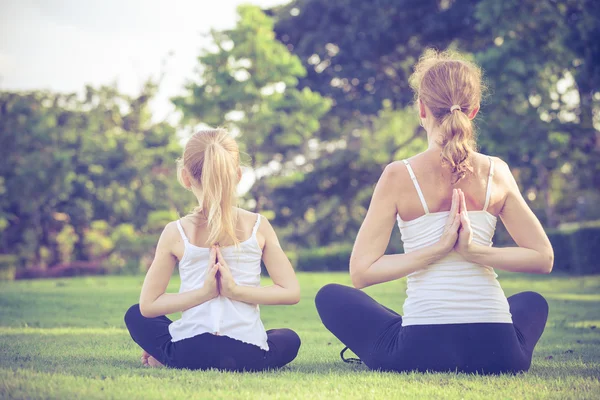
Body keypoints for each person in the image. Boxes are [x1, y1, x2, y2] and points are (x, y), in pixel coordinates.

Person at [315, 49, 554, 374]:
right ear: (474, 111)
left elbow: (361, 273)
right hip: (500, 353)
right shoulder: (497, 172)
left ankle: (415, 323)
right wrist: (476, 252)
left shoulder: (399, 175)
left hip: (418, 350)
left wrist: (434, 252)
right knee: (532, 302)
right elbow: (543, 258)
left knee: (330, 296)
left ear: (422, 108)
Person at [124, 129, 301, 372]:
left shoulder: (176, 231)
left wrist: (204, 294)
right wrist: (234, 291)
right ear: (237, 175)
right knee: (288, 338)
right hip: (247, 355)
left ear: (185, 178)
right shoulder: (258, 225)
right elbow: (290, 292)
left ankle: (166, 354)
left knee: (135, 315)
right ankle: (171, 353)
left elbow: (148, 306)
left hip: (189, 352)